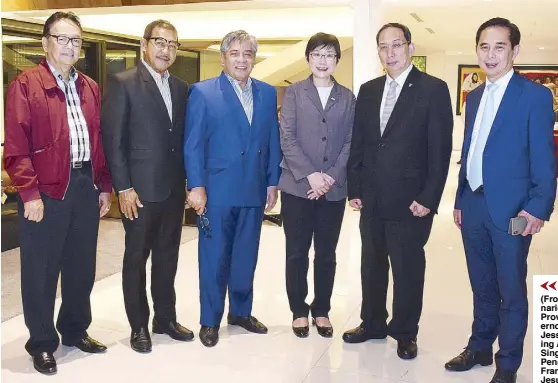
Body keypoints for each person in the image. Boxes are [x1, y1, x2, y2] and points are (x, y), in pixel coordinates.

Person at [446, 18, 556, 383]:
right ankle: (479, 346)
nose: (490, 55)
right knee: (481, 284)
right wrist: (460, 197)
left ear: (514, 51)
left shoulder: (535, 96)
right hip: (474, 205)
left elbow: (544, 157)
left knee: (511, 288)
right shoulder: (474, 96)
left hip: (515, 209)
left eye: (499, 47)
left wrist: (538, 207)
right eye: (484, 47)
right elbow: (473, 150)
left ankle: (507, 364)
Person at [3, 11, 112, 375]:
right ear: (45, 42)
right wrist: (29, 193)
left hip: (84, 185)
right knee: (41, 270)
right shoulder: (26, 84)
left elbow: (99, 142)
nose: (70, 46)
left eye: (76, 40)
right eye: (62, 38)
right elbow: (15, 146)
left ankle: (75, 330)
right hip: (46, 190)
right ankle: (42, 342)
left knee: (81, 266)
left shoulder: (90, 87)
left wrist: (104, 185)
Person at [344, 22, 453, 360]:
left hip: (411, 202)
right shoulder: (369, 89)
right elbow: (359, 143)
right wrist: (355, 187)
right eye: (382, 46)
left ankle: (405, 332)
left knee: (407, 268)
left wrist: (429, 197)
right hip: (372, 198)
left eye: (396, 45)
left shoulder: (433, 89)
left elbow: (440, 149)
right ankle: (372, 323)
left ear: (409, 47)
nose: (389, 53)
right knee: (371, 264)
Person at [184, 30, 282, 348]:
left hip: (254, 189)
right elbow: (193, 144)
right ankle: (210, 320)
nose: (242, 59)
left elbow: (272, 142)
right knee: (214, 257)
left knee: (245, 256)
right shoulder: (203, 92)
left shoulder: (267, 94)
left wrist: (271, 182)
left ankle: (240, 312)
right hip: (217, 191)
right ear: (223, 57)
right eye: (235, 53)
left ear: (254, 58)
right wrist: (196, 186)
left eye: (248, 54)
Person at [101, 19, 192, 353]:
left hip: (171, 190)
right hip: (138, 192)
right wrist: (123, 187)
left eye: (171, 44)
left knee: (168, 257)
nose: (165, 50)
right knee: (136, 258)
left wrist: (185, 183)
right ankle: (138, 325)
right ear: (144, 44)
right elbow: (114, 141)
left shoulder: (182, 87)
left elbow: (179, 141)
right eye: (159, 42)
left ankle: (164, 319)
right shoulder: (123, 82)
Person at [277, 32, 355, 339]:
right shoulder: (295, 93)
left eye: (329, 55)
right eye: (317, 54)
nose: (323, 61)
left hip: (333, 190)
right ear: (308, 58)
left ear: (337, 60)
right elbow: (287, 137)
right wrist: (311, 175)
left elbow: (350, 141)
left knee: (326, 253)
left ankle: (321, 309)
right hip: (297, 187)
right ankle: (298, 310)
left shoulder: (348, 97)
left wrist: (330, 177)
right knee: (296, 252)